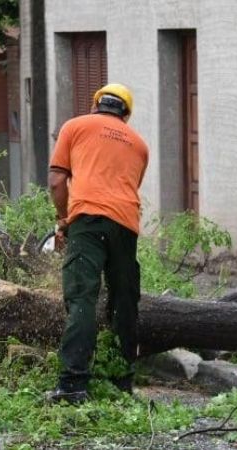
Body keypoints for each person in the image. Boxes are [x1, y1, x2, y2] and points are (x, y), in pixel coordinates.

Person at [46, 83, 149, 404]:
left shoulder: (75, 126)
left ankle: (73, 384)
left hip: (87, 221)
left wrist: (64, 220)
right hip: (126, 226)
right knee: (124, 302)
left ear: (96, 105)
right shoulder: (139, 145)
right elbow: (125, 187)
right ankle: (122, 382)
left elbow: (56, 181)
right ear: (126, 114)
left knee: (81, 298)